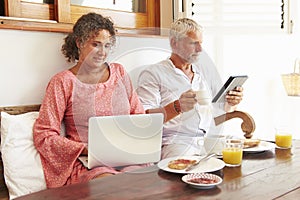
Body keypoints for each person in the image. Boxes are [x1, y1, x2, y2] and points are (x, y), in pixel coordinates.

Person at [33, 12, 145, 188]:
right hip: (91, 165)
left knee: (150, 181)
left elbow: (138, 115)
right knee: (115, 187)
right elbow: (44, 135)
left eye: (107, 46)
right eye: (96, 44)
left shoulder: (119, 73)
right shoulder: (63, 82)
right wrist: (85, 149)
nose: (103, 52)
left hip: (126, 158)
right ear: (79, 42)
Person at [136, 18, 243, 159]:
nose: (200, 49)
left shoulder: (203, 72)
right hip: (177, 142)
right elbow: (145, 119)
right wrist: (177, 106)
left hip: (208, 138)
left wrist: (231, 102)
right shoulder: (153, 74)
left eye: (201, 43)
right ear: (174, 43)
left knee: (243, 152)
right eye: (193, 43)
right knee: (189, 169)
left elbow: (218, 110)